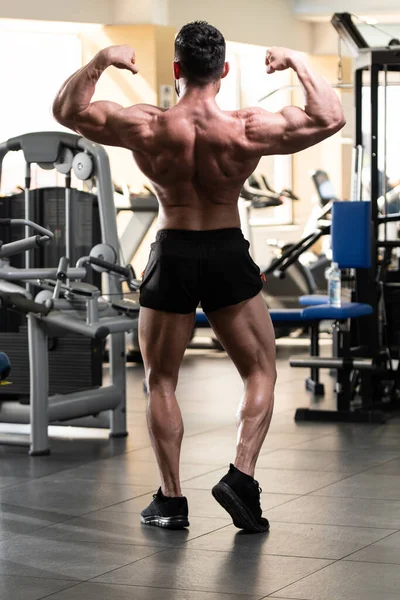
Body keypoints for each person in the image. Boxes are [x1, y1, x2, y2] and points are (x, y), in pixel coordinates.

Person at [53, 21, 345, 534]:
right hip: (227, 249)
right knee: (261, 370)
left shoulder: (146, 125)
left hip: (173, 251)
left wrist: (101, 61)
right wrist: (298, 62)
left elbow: (67, 111)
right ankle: (241, 477)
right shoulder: (247, 127)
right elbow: (330, 117)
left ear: (176, 70)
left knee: (161, 379)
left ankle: (170, 500)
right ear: (224, 71)